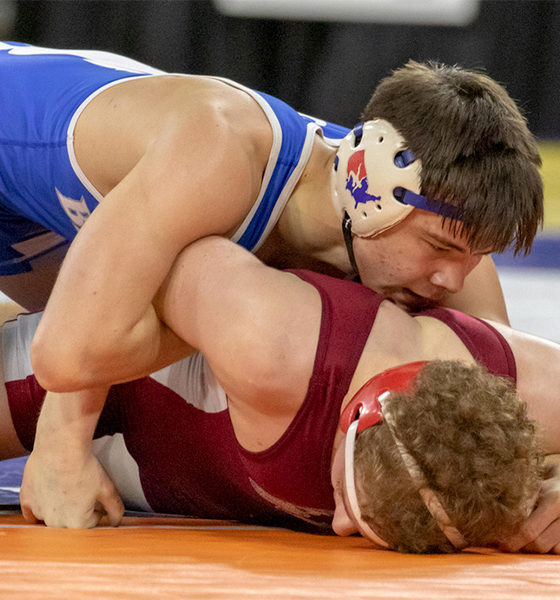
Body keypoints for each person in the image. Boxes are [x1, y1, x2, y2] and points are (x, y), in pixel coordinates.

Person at [0, 41, 543, 394]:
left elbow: (514, 392)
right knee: (95, 334)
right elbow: (68, 355)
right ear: (372, 190)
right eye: (442, 248)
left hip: (53, 219)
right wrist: (225, 316)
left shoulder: (445, 229)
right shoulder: (222, 154)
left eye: (476, 256)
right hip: (20, 143)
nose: (452, 280)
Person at [10, 236, 560, 553]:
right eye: (346, 497)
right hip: (113, 388)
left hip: (178, 474)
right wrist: (61, 441)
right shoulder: (276, 340)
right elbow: (140, 257)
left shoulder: (533, 386)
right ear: (355, 414)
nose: (338, 524)